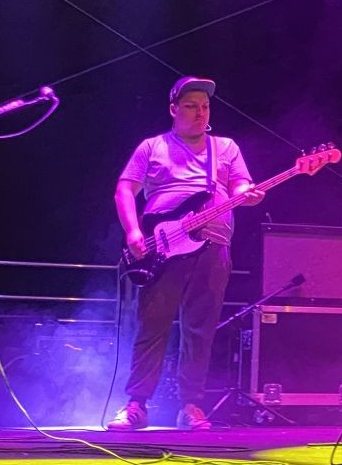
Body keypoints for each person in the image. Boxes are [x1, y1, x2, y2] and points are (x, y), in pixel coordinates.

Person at [107, 76, 264, 431]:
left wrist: (246, 192)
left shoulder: (225, 147)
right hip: (162, 246)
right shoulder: (152, 147)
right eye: (191, 106)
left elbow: (240, 183)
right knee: (153, 325)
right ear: (173, 109)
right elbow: (124, 189)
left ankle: (191, 406)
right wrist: (132, 231)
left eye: (205, 106)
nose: (200, 113)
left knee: (199, 330)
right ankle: (136, 405)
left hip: (214, 245)